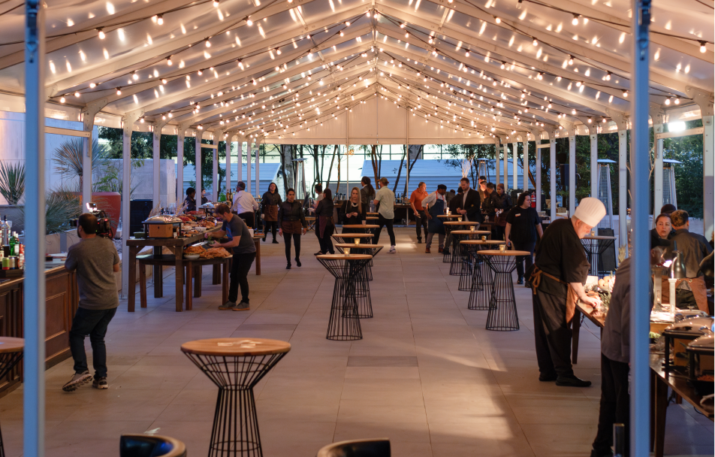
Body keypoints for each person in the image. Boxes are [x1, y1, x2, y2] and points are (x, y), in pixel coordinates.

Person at [529, 197, 606, 387]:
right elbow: (573, 273)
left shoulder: (558, 224)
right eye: (587, 228)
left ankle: (547, 371)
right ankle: (564, 373)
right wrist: (583, 296)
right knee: (558, 330)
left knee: (544, 330)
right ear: (578, 221)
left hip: (540, 284)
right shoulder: (569, 235)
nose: (588, 232)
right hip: (553, 288)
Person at [591, 256, 653, 457]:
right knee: (625, 404)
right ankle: (625, 451)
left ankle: (600, 448)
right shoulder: (640, 277)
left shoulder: (629, 263)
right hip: (622, 349)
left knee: (609, 398)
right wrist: (633, 353)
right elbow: (631, 319)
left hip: (611, 342)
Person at [62, 213, 121, 392]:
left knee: (76, 335)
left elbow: (68, 268)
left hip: (91, 302)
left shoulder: (77, 249)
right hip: (111, 301)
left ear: (80, 229)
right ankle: (101, 378)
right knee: (98, 337)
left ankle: (81, 370)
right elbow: (116, 268)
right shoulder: (108, 244)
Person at [209, 204, 256, 311]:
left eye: (220, 215)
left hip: (247, 252)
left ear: (225, 213)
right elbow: (221, 233)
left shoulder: (236, 222)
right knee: (233, 276)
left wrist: (219, 245)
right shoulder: (227, 221)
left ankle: (245, 302)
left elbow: (235, 243)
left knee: (241, 276)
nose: (219, 218)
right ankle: (231, 300)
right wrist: (211, 234)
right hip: (239, 252)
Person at [669, 210, 712, 312]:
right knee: (700, 322)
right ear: (687, 222)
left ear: (673, 225)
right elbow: (712, 260)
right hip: (697, 286)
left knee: (677, 320)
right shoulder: (699, 239)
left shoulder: (669, 242)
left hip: (675, 287)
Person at [505, 193, 543, 285]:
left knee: (529, 258)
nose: (530, 201)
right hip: (517, 238)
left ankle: (528, 278)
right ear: (522, 200)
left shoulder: (532, 211)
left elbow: (538, 225)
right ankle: (520, 276)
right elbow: (508, 224)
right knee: (519, 258)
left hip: (530, 238)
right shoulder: (514, 210)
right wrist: (507, 238)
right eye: (528, 200)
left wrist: (542, 237)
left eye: (530, 200)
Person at [278, 188, 307, 269]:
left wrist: (304, 226)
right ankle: (288, 262)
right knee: (288, 245)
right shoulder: (283, 205)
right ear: (287, 195)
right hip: (286, 224)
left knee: (297, 244)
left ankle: (297, 258)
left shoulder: (298, 204)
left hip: (296, 224)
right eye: (290, 194)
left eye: (293, 194)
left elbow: (302, 216)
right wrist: (280, 227)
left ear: (294, 195)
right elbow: (279, 217)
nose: (291, 196)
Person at [373, 177, 397, 253]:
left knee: (377, 231)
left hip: (382, 214)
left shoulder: (380, 192)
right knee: (391, 231)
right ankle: (392, 247)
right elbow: (394, 203)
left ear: (381, 183)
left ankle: (373, 246)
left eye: (379, 182)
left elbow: (375, 202)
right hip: (390, 214)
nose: (379, 184)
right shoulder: (391, 192)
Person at [422, 184, 448, 253]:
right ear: (439, 189)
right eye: (444, 190)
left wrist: (445, 213)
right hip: (433, 216)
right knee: (431, 232)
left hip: (441, 216)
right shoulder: (433, 195)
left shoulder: (443, 196)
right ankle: (427, 247)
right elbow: (423, 202)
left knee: (442, 233)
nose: (445, 192)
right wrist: (427, 213)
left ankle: (440, 247)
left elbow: (444, 205)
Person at [315, 188, 335, 254]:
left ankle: (330, 251)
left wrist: (315, 209)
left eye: (324, 193)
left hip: (322, 221)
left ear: (325, 194)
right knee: (327, 236)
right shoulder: (331, 202)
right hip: (330, 221)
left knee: (323, 236)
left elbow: (317, 211)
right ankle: (324, 250)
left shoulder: (322, 202)